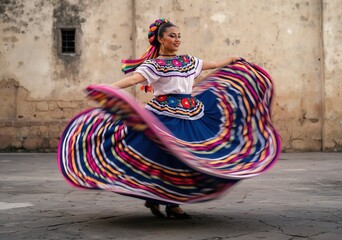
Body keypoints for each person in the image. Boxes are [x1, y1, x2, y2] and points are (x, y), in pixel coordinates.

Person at [58, 18, 281, 220]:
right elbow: (134, 79)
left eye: (179, 36)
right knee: (168, 158)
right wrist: (109, 88)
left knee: (192, 158)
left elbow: (210, 65)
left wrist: (230, 59)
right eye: (172, 36)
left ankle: (165, 200)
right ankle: (168, 202)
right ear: (161, 39)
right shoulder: (154, 65)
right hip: (163, 117)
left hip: (192, 114)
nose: (177, 39)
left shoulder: (188, 61)